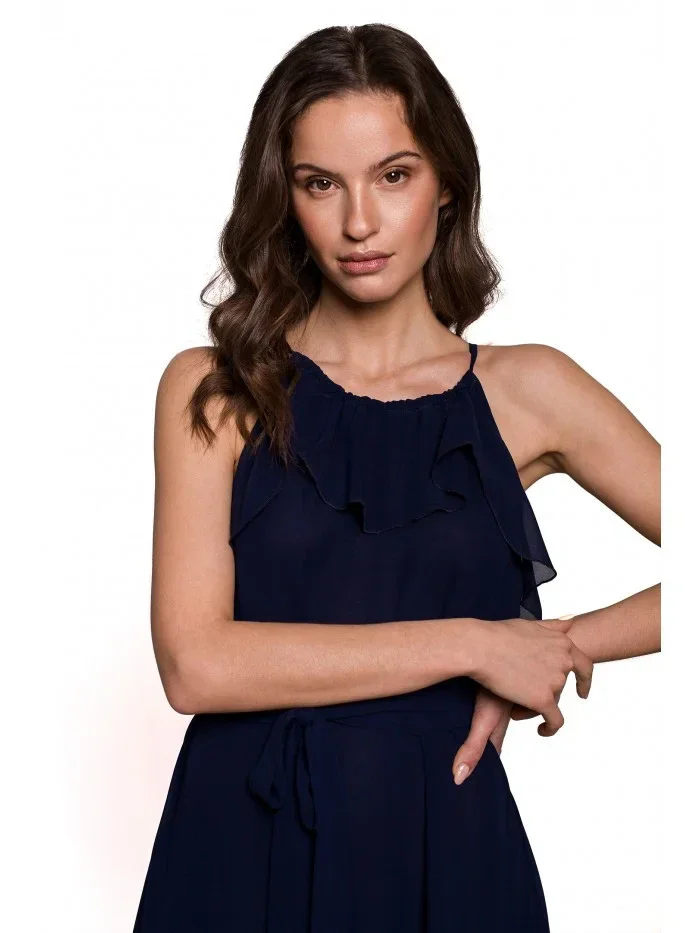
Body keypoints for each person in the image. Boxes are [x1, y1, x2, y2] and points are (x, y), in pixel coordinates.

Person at [133, 23, 660, 933]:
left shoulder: (530, 390)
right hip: (238, 849)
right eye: (320, 183)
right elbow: (195, 665)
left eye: (393, 175)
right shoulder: (217, 389)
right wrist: (474, 642)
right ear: (283, 194)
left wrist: (562, 643)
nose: (359, 223)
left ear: (446, 181)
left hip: (444, 850)